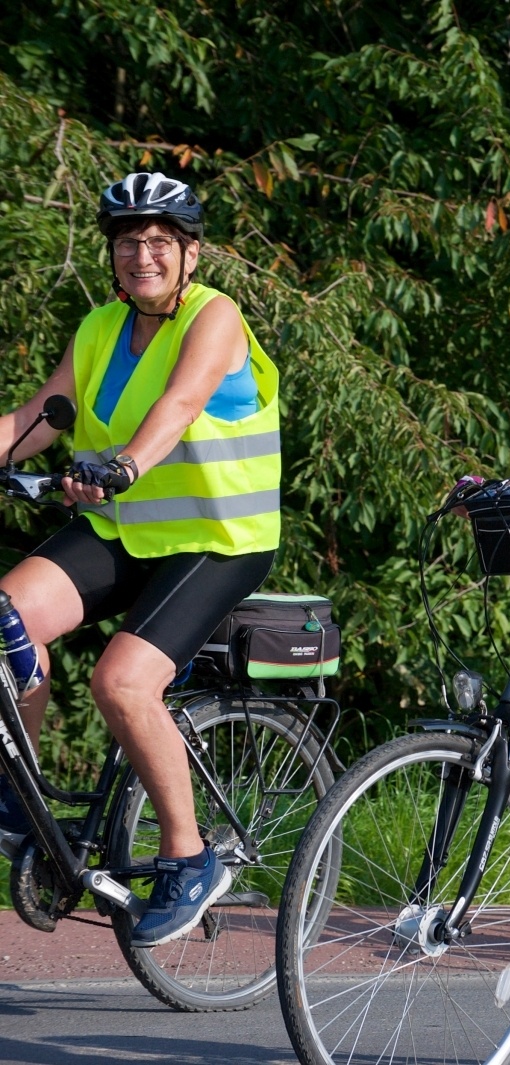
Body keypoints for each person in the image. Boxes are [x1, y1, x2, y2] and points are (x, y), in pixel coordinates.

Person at [0, 172, 281, 947]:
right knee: (6, 617)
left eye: (160, 240)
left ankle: (189, 855)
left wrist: (122, 463)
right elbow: (35, 417)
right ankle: (21, 800)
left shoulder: (214, 316)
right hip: (129, 530)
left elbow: (180, 405)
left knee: (121, 682)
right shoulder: (98, 329)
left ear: (191, 253)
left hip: (220, 538)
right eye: (128, 242)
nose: (142, 255)